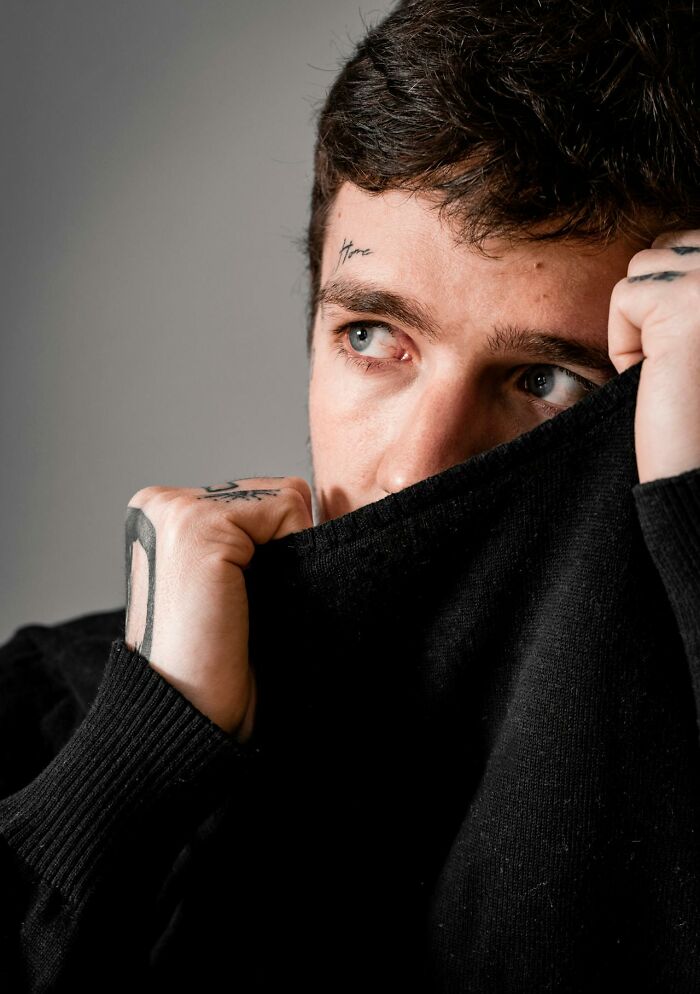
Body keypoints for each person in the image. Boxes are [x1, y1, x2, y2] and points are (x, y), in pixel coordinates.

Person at [2, 0, 700, 990]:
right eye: (372, 336)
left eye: (546, 379)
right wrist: (142, 754)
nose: (415, 466)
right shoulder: (53, 719)